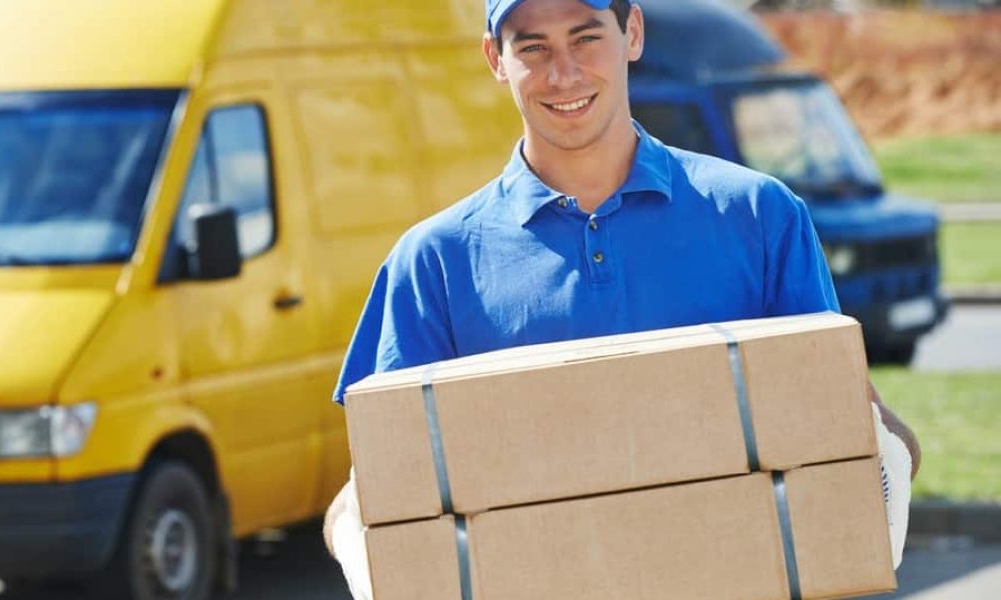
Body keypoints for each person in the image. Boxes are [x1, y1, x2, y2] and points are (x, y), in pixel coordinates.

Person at [324, 0, 921, 596]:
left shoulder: (758, 216)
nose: (564, 74)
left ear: (632, 32)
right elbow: (374, 494)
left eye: (586, 39)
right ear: (494, 59)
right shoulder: (433, 262)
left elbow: (846, 431)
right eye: (533, 48)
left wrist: (881, 459)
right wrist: (365, 545)